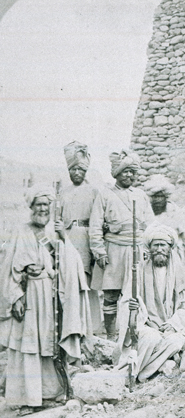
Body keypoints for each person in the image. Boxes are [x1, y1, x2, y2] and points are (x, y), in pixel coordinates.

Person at [0, 186, 91, 411]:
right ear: (31, 207)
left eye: (46, 205)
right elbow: (7, 268)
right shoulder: (20, 231)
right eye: (38, 204)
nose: (42, 209)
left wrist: (63, 238)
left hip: (51, 298)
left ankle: (50, 394)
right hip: (29, 296)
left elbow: (72, 266)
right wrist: (16, 297)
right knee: (28, 346)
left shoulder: (53, 233)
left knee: (48, 345)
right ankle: (27, 399)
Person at [116, 224, 185, 382]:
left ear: (170, 248)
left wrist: (173, 323)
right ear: (149, 248)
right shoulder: (138, 271)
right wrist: (133, 308)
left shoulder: (182, 273)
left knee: (176, 341)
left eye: (163, 245)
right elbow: (127, 300)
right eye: (155, 245)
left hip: (170, 326)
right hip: (146, 324)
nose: (159, 249)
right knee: (152, 338)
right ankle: (131, 373)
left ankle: (144, 371)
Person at [89, 151, 154, 341]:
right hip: (114, 250)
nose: (129, 175)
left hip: (136, 250)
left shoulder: (141, 195)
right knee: (111, 295)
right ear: (116, 173)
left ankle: (133, 332)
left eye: (132, 172)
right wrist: (99, 251)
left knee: (135, 293)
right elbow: (95, 226)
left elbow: (151, 225)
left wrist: (148, 248)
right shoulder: (105, 194)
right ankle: (111, 335)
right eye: (125, 171)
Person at [58, 141, 102, 334]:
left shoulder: (93, 191)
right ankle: (72, 326)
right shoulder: (62, 192)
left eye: (80, 169)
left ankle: (91, 326)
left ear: (85, 171)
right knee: (69, 282)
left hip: (86, 240)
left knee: (87, 282)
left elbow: (98, 220)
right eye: (73, 169)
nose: (76, 172)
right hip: (66, 238)